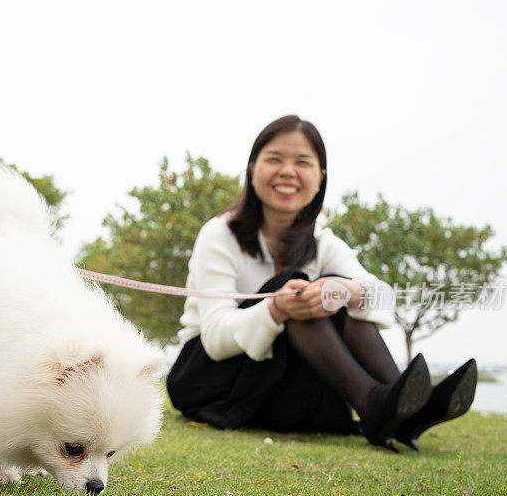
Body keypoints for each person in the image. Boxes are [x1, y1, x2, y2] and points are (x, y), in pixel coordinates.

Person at [166, 115, 477, 452]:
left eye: (302, 162)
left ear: (320, 178)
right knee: (296, 285)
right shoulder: (220, 235)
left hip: (276, 384)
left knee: (347, 292)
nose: (288, 171)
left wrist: (348, 291)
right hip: (209, 381)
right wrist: (276, 308)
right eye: (274, 159)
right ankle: (376, 404)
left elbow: (382, 297)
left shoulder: (323, 243)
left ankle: (406, 408)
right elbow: (215, 338)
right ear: (253, 169)